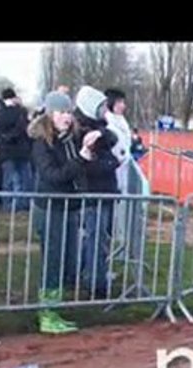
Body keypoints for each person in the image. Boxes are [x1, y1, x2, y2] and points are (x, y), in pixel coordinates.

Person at [28, 90, 95, 333]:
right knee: (53, 261)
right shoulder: (41, 143)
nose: (67, 117)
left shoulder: (71, 138)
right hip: (51, 208)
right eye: (61, 112)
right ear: (50, 113)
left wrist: (90, 144)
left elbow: (104, 141)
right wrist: (81, 158)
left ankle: (54, 308)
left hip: (70, 207)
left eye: (69, 112)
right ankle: (47, 313)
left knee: (68, 261)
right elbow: (53, 176)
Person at [74, 86, 121, 299]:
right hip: (95, 193)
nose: (106, 110)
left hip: (105, 191)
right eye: (102, 106)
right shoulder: (83, 133)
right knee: (95, 238)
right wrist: (112, 163)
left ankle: (93, 274)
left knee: (100, 238)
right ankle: (95, 282)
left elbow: (111, 139)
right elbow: (92, 166)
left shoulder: (100, 129)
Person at [0, 87, 33, 202]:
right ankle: (24, 203)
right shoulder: (21, 112)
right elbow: (26, 129)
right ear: (14, 97)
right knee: (25, 179)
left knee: (8, 179)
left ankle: (7, 203)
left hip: (6, 151)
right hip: (22, 150)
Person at [104, 88, 133, 194]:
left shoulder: (122, 122)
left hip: (121, 172)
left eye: (123, 102)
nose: (123, 106)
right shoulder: (107, 124)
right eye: (119, 102)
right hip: (112, 174)